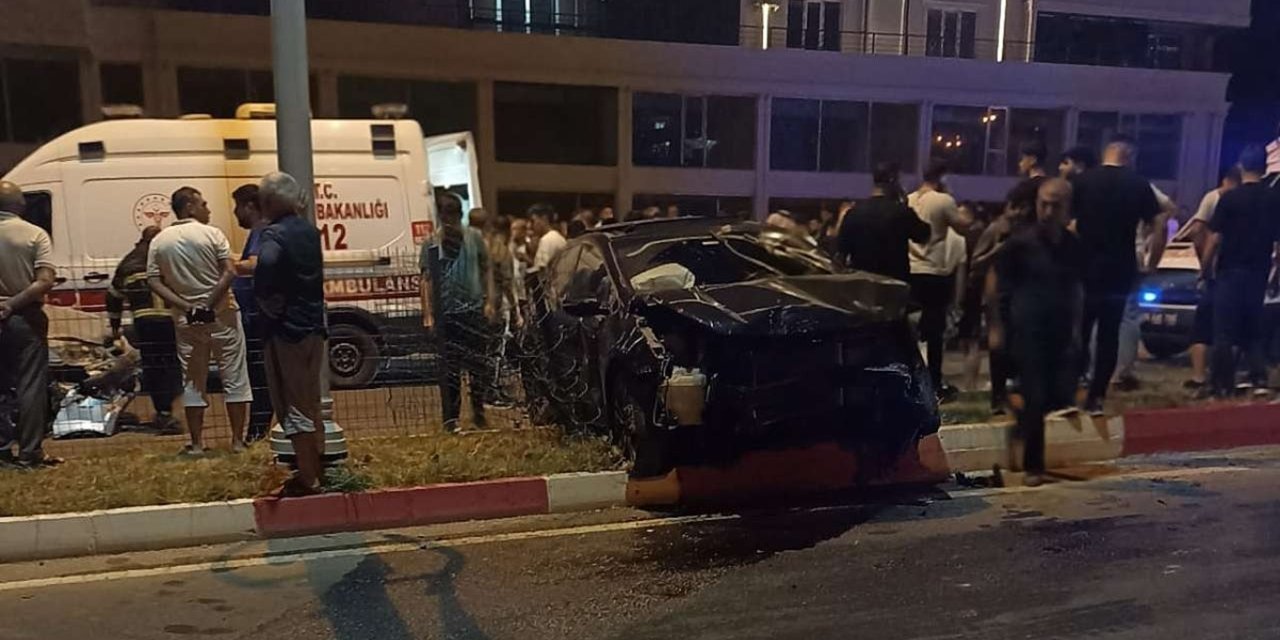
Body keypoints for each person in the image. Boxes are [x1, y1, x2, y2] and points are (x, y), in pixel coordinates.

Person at [990, 179, 1085, 487]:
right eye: (1043, 203)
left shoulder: (1072, 246)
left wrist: (1077, 329)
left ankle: (1022, 420)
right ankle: (1034, 464)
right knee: (1035, 394)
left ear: (1067, 209)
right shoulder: (1019, 244)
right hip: (1027, 329)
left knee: (1058, 395)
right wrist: (997, 328)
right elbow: (998, 289)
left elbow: (1076, 288)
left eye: (1055, 205)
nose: (1047, 211)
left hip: (1060, 330)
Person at [147, 186, 252, 456]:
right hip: (223, 315)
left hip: (186, 320)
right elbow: (229, 271)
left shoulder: (160, 241)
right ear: (190, 206)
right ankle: (237, 441)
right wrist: (208, 303)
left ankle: (196, 443)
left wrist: (187, 306)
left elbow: (154, 281)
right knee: (235, 377)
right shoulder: (213, 234)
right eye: (203, 204)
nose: (208, 209)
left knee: (193, 381)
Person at [1070, 136, 1167, 416]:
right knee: (1109, 332)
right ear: (1129, 156)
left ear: (1106, 153)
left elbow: (1069, 224)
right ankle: (1097, 396)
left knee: (1080, 329)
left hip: (1084, 266)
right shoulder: (1138, 184)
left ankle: (1074, 385)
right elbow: (1159, 224)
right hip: (1120, 268)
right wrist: (1152, 262)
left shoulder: (1083, 181)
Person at [254, 172, 328, 496]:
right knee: (311, 400)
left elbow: (267, 264)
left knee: (292, 404)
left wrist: (268, 303)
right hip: (313, 326)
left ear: (270, 202)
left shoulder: (274, 234)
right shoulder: (310, 232)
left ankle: (308, 478)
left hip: (286, 330)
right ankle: (319, 468)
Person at [1202, 146, 1280, 399]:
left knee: (1224, 331)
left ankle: (1221, 384)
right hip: (1259, 271)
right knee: (1252, 328)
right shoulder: (1274, 198)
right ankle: (1258, 377)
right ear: (1264, 168)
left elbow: (1214, 238)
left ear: (1241, 166)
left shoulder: (1230, 198)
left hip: (1230, 270)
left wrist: (1205, 268)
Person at [0, 182, 61, 469]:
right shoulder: (34, 234)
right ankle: (29, 451)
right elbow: (45, 280)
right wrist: (12, 304)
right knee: (30, 385)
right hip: (25, 317)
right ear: (21, 204)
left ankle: (1, 450)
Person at [422, 193, 494, 431]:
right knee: (450, 370)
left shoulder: (474, 238)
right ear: (440, 216)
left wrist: (489, 300)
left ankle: (479, 413)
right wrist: (428, 314)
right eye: (446, 217)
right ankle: (451, 418)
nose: (450, 222)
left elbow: (486, 268)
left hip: (472, 310)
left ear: (460, 215)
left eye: (453, 216)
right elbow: (426, 280)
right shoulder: (432, 242)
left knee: (478, 367)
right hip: (447, 314)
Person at [107, 226, 182, 435]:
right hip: (169, 321)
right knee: (172, 365)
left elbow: (113, 296)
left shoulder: (128, 263)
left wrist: (115, 327)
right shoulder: (168, 256)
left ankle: (163, 411)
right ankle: (170, 410)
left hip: (145, 323)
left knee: (154, 367)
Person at [907, 160, 973, 401]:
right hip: (934, 271)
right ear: (942, 177)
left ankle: (912, 379)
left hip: (911, 270)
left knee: (911, 330)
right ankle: (934, 382)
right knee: (935, 332)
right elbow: (962, 226)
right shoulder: (943, 200)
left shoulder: (909, 199)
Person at [1173, 169, 1242, 392]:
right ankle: (1223, 376)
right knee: (1229, 327)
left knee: (1203, 324)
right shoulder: (1243, 200)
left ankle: (1200, 376)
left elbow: (1198, 230)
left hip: (1216, 271)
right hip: (1237, 271)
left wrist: (1203, 264)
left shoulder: (1214, 198)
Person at [230, 184, 274, 442]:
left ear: (249, 206)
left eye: (237, 206)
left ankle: (256, 435)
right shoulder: (260, 232)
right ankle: (257, 433)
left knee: (260, 378)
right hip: (255, 316)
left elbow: (256, 264)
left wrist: (228, 266)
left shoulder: (261, 231)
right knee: (261, 377)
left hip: (257, 318)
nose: (235, 213)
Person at [837, 162, 929, 283]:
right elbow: (923, 235)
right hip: (894, 283)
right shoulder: (901, 212)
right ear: (893, 181)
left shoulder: (853, 213)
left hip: (862, 284)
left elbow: (841, 251)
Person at [529, 203, 567, 275]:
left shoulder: (548, 240)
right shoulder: (555, 237)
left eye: (533, 221)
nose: (531, 225)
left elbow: (542, 271)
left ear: (544, 218)